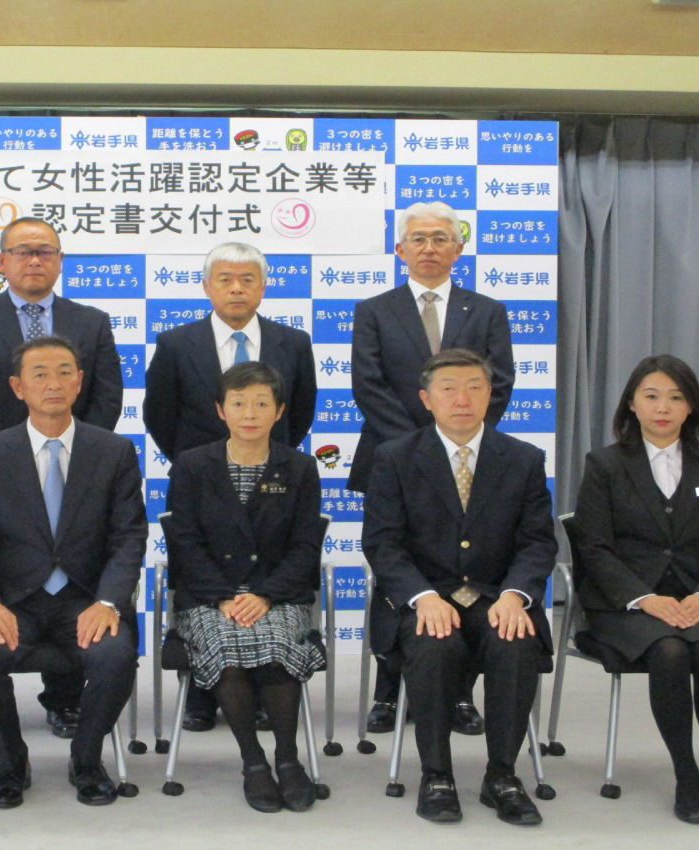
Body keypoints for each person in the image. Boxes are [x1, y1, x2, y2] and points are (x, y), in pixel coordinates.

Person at [0, 216, 123, 738]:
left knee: (69, 571)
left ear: (60, 261)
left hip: (73, 471)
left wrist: (76, 456)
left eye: (45, 251)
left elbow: (106, 397)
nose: (34, 260)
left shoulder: (91, 321)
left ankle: (65, 699)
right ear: (1, 262)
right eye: (22, 251)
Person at [0, 335, 146, 808]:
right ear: (18, 387)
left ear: (80, 382)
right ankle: (11, 762)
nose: (53, 383)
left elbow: (128, 538)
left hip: (84, 599)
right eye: (39, 374)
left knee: (115, 654)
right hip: (10, 600)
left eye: (64, 372)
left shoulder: (114, 451)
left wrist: (108, 602)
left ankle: (87, 759)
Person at [363, 348, 554, 826]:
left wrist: (515, 595)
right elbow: (383, 543)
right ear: (427, 399)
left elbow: (537, 542)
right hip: (425, 597)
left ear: (491, 395)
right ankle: (436, 775)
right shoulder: (394, 458)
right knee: (435, 644)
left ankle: (502, 776)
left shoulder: (523, 458)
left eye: (474, 388)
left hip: (496, 596)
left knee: (515, 642)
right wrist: (422, 596)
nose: (462, 399)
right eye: (448, 389)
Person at [349, 201, 514, 736]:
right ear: (400, 249)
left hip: (467, 462)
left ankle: (458, 692)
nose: (429, 248)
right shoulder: (374, 310)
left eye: (440, 238)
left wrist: (451, 442)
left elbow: (498, 385)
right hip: (390, 462)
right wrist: (419, 447)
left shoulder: (486, 311)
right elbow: (368, 385)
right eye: (418, 238)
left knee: (461, 574)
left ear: (458, 249)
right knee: (396, 572)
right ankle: (387, 690)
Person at [144, 240, 317, 731]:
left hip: (271, 479)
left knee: (264, 573)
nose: (237, 288)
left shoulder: (292, 342)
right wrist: (198, 464)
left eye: (248, 279)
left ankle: (261, 688)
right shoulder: (177, 343)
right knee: (203, 578)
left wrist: (265, 455)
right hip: (201, 484)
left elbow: (300, 410)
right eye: (225, 279)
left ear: (263, 286)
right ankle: (201, 693)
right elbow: (159, 413)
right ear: (207, 286)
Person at [573, 354, 699, 824]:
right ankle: (686, 774)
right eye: (651, 396)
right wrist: (644, 598)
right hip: (626, 604)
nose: (663, 407)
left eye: (676, 397)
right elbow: (594, 547)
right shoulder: (605, 465)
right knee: (669, 652)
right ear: (632, 404)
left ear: (692, 407)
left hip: (698, 599)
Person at [166, 361, 325, 813]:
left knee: (276, 645)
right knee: (226, 646)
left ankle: (288, 759)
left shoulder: (299, 467)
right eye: (238, 403)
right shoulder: (192, 466)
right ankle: (253, 762)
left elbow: (305, 545)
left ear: (280, 411)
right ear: (221, 410)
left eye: (261, 403)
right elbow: (185, 542)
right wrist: (222, 596)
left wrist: (266, 595)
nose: (249, 413)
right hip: (209, 597)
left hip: (278, 595)